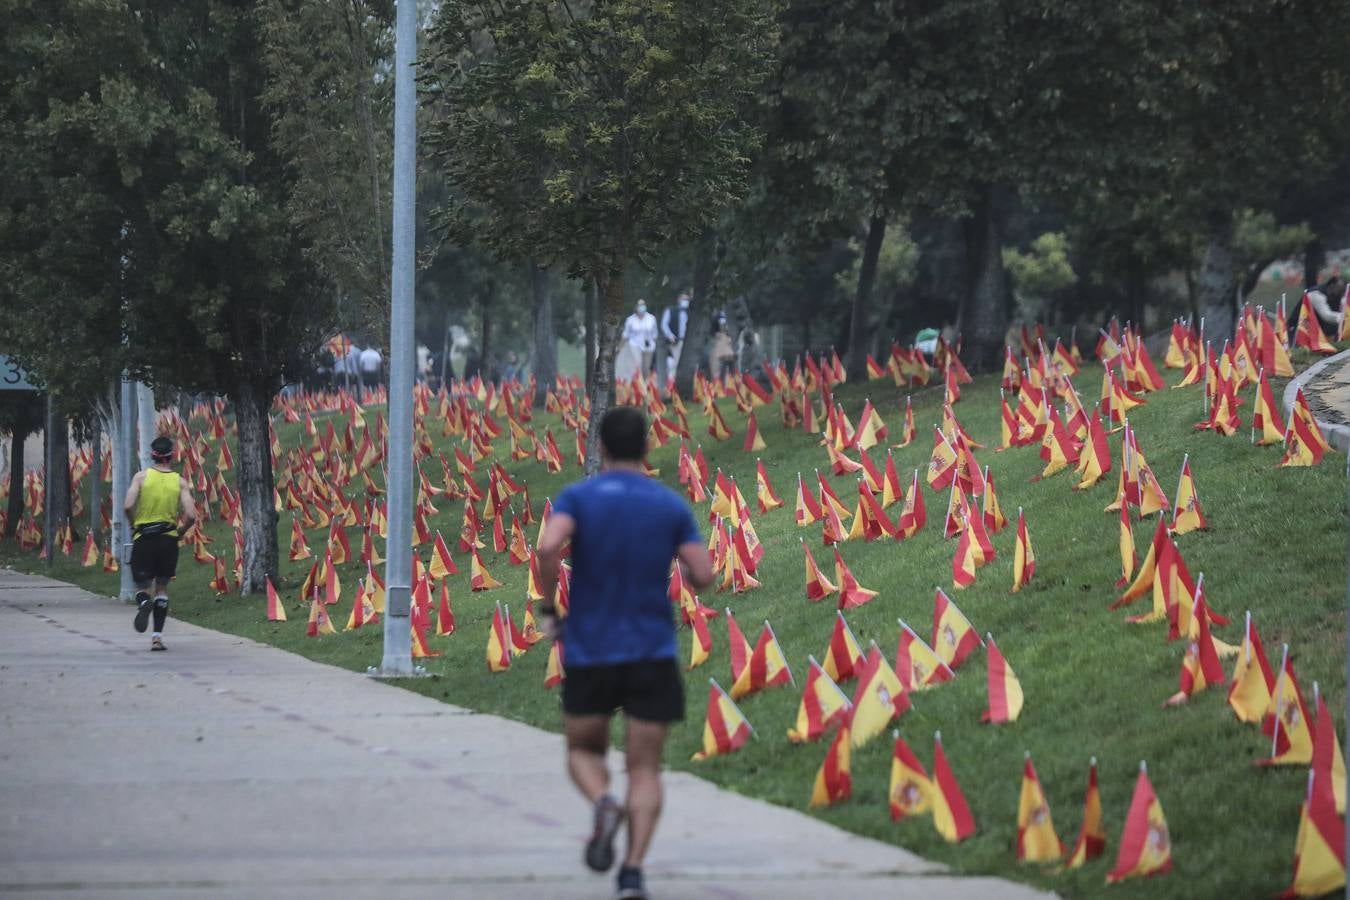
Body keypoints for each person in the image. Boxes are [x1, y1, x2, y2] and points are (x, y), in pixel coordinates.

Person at [536, 407, 714, 900]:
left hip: (592, 651)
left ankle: (603, 802)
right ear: (647, 449)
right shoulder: (668, 505)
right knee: (645, 769)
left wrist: (549, 606)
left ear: (602, 449)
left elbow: (549, 547)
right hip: (651, 653)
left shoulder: (579, 496)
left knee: (582, 750)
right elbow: (703, 576)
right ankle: (632, 872)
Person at [123, 436, 196, 651]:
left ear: (152, 455)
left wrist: (134, 524)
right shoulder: (179, 481)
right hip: (168, 539)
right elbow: (191, 515)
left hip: (144, 538)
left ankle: (144, 602)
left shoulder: (141, 478)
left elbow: (127, 506)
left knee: (142, 586)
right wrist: (180, 532)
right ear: (172, 455)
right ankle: (157, 637)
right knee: (162, 588)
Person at [622, 300, 659, 373]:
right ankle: (637, 382)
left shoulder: (651, 318)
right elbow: (626, 334)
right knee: (638, 364)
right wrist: (620, 346)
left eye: (643, 305)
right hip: (635, 344)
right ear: (636, 307)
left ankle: (645, 383)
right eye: (639, 305)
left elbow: (655, 333)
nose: (641, 307)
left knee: (646, 367)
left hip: (649, 345)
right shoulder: (630, 320)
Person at [659, 293, 691, 373]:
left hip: (687, 341)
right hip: (676, 340)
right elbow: (664, 324)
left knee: (686, 363)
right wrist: (670, 335)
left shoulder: (690, 312)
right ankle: (672, 381)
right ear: (679, 300)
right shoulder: (671, 310)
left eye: (687, 300)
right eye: (684, 299)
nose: (686, 301)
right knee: (677, 361)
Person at [709, 313, 735, 379]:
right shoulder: (716, 317)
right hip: (719, 343)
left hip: (727, 345)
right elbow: (712, 331)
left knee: (729, 363)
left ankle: (731, 379)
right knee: (719, 365)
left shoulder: (729, 314)